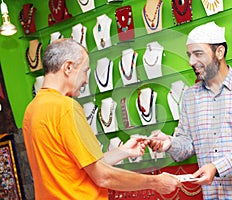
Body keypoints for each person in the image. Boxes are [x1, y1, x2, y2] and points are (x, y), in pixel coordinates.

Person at [22, 38, 180, 200]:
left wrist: (123, 151)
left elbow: (80, 166)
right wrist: (155, 182)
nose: (85, 80)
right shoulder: (65, 108)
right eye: (84, 71)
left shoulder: (32, 110)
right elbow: (103, 176)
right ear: (68, 67)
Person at [148, 21, 232, 199]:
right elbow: (186, 145)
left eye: (198, 54)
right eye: (189, 55)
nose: (191, 61)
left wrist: (217, 167)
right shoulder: (189, 97)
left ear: (219, 52)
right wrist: (169, 143)